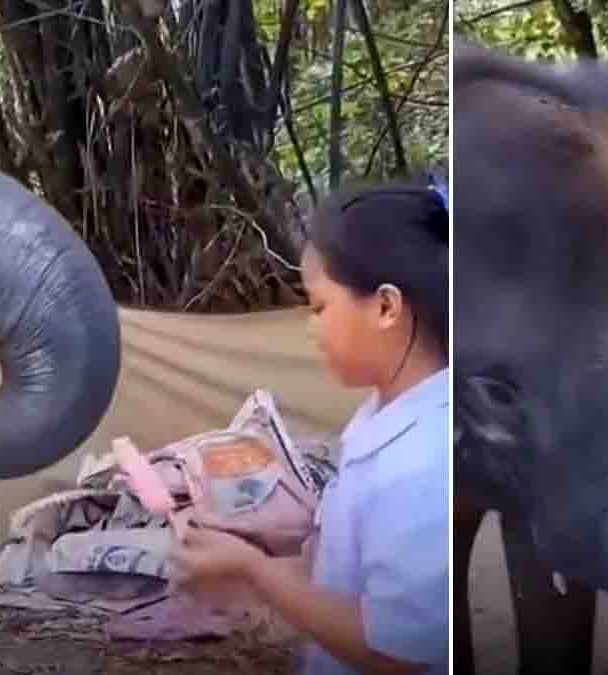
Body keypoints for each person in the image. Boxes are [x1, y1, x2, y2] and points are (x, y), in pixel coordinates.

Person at [168, 171, 450, 675]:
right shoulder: (380, 415)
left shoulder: (425, 463)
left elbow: (395, 652)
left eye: (319, 306)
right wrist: (248, 560)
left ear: (386, 307)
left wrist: (257, 572)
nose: (310, 326)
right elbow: (345, 574)